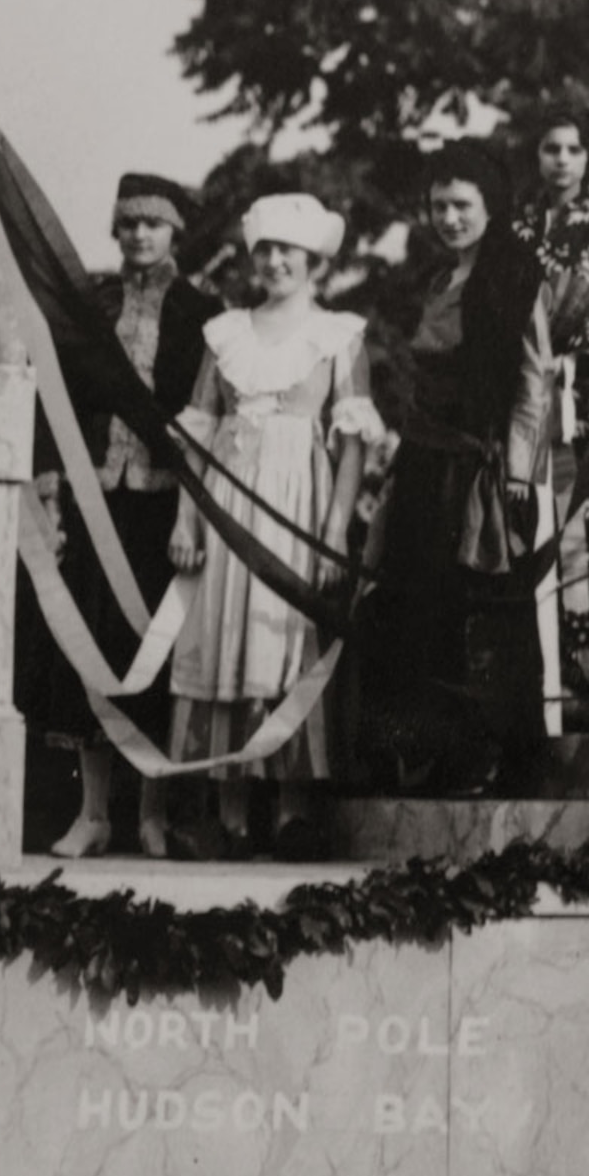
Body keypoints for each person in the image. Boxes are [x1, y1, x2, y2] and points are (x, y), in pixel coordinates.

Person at [162, 193, 378, 858]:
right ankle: (228, 816)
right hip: (227, 504)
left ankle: (289, 812)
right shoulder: (224, 333)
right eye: (265, 249)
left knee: (286, 638)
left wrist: (334, 532)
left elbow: (351, 444)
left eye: (289, 250)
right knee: (225, 638)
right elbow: (197, 435)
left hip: (298, 503)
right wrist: (188, 522)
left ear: (313, 260)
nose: (275, 261)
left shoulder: (338, 335)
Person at [18, 172, 220, 859]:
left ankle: (152, 815)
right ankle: (95, 813)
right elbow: (56, 397)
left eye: (152, 224)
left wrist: (194, 512)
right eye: (128, 223)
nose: (139, 235)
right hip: (95, 495)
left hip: (165, 506)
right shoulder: (90, 305)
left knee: (155, 653)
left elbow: (206, 416)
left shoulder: (201, 312)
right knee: (91, 646)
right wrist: (51, 487)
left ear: (174, 233)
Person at [359, 141, 558, 791]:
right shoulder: (436, 281)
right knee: (418, 611)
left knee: (481, 613)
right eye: (439, 206)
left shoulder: (513, 277)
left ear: (490, 207)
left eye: (462, 205)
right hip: (423, 464)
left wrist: (518, 475)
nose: (449, 218)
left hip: (479, 472)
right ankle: (431, 753)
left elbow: (532, 382)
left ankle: (488, 754)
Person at [513, 110, 589, 678]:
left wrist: (571, 360)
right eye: (550, 148)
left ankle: (582, 654)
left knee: (574, 521)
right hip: (518, 385)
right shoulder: (518, 226)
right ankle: (528, 654)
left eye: (573, 149)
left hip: (574, 391)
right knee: (518, 514)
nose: (561, 159)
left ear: (588, 158)